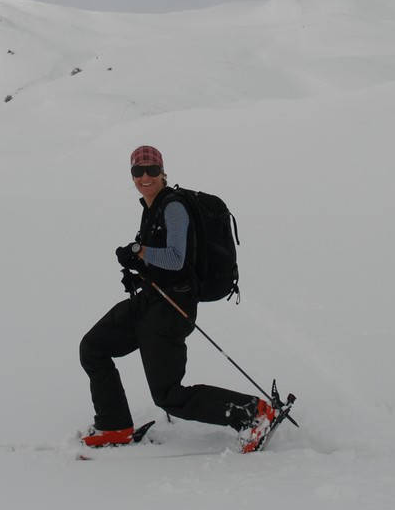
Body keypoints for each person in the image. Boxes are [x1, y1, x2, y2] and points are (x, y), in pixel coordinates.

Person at [78, 145, 276, 452]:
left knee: (169, 396)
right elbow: (163, 261)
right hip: (151, 301)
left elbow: (175, 259)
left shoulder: (173, 207)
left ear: (162, 172)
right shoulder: (152, 207)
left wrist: (138, 252)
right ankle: (114, 425)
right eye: (138, 171)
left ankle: (254, 414)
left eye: (152, 170)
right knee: (94, 347)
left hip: (171, 310)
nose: (145, 176)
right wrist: (139, 271)